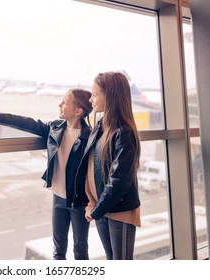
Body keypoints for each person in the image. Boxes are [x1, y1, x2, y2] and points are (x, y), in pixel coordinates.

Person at [0, 88, 93, 260]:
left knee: (80, 249)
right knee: (58, 250)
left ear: (78, 111)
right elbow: (24, 122)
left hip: (79, 201)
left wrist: (93, 202)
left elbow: (96, 173)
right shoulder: (54, 128)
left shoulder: (91, 137)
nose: (59, 104)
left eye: (64, 102)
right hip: (58, 198)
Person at [80, 71, 141, 260]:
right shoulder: (101, 126)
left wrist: (97, 210)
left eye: (95, 94)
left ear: (111, 96)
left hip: (119, 210)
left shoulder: (124, 132)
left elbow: (119, 181)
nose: (91, 99)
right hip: (102, 208)